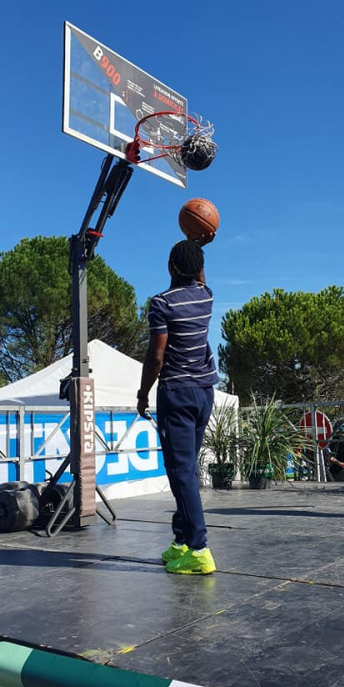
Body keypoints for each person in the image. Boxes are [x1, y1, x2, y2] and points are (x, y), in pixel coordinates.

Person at [137, 240, 219, 574]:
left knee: (181, 471)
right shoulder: (206, 296)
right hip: (204, 392)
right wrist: (198, 246)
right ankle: (182, 540)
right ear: (200, 269)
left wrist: (143, 393)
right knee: (185, 470)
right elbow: (198, 276)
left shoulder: (161, 303)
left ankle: (199, 550)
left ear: (170, 267)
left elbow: (156, 356)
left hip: (177, 394)